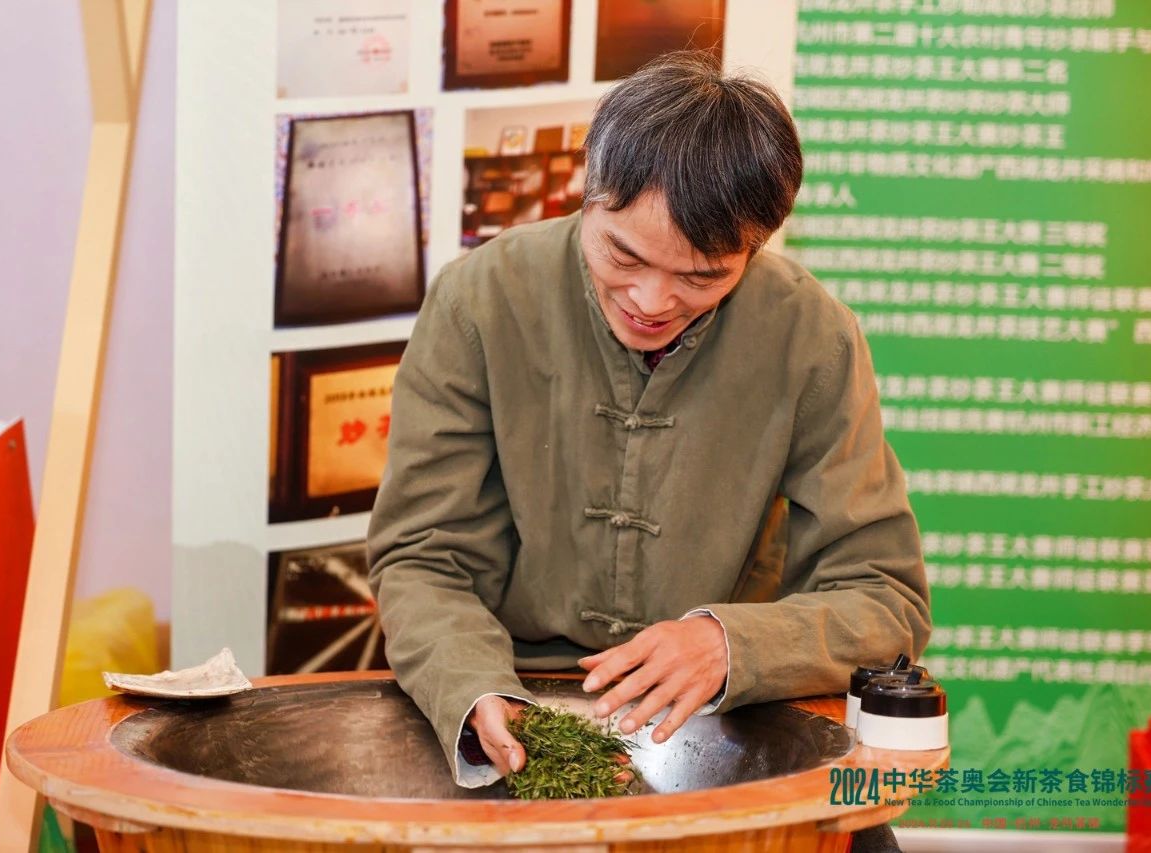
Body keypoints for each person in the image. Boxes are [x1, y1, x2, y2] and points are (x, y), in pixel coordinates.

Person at [367, 51, 931, 789]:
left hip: (728, 714)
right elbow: (421, 557)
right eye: (622, 255)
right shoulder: (480, 301)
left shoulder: (811, 336)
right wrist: (471, 685)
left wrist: (730, 645)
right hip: (512, 692)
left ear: (756, 247)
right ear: (587, 193)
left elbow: (886, 597)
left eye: (702, 276)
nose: (651, 301)